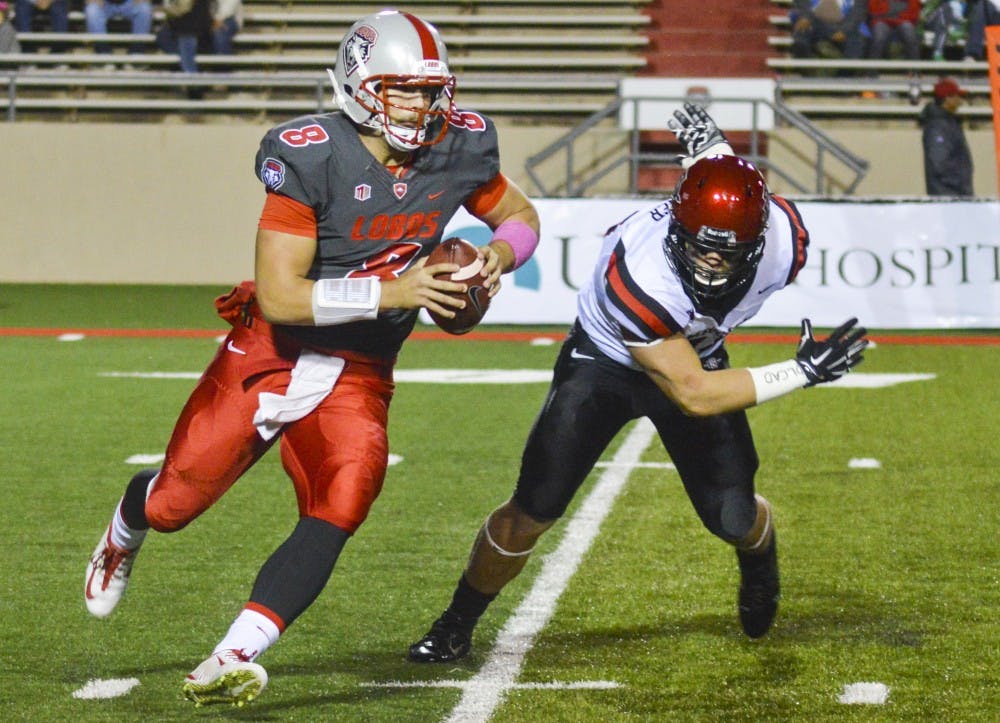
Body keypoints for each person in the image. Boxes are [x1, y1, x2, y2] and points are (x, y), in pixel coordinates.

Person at [83, 8, 540, 708]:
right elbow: (280, 295)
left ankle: (234, 652)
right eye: (405, 89)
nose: (424, 105)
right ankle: (125, 525)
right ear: (361, 84)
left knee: (347, 493)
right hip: (273, 351)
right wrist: (399, 286)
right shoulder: (308, 152)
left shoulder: (461, 146)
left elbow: (521, 216)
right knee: (176, 503)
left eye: (431, 89)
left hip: (361, 367)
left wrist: (495, 255)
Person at [408, 103, 869, 665]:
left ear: (759, 240)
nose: (710, 266)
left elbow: (725, 178)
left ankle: (759, 557)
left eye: (727, 253)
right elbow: (693, 393)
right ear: (676, 226)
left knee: (733, 516)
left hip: (696, 351)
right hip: (606, 361)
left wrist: (714, 148)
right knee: (535, 505)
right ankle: (456, 621)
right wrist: (802, 370)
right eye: (700, 246)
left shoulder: (783, 243)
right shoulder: (641, 273)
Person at [920, 77, 974, 196]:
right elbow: (939, 163)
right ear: (947, 98)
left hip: (953, 195)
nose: (960, 100)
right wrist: (960, 186)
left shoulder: (947, 123)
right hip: (949, 196)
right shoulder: (938, 127)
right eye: (957, 96)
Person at [789, 0, 869, 60]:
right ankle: (809, 73)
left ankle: (842, 78)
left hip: (843, 25)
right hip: (814, 23)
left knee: (857, 42)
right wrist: (806, 17)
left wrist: (845, 30)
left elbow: (858, 11)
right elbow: (802, 5)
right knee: (801, 36)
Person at [84, 0, 153, 56]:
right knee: (92, 10)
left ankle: (137, 53)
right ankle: (103, 54)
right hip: (105, 3)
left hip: (130, 2)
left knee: (144, 9)